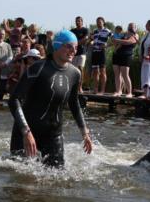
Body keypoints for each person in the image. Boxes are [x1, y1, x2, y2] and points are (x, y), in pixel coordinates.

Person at [8, 30, 93, 167]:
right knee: (22, 181)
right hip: (27, 132)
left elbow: (74, 103)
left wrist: (85, 133)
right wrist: (26, 132)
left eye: (76, 47)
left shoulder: (75, 73)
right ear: (57, 46)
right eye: (69, 46)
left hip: (53, 135)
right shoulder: (38, 68)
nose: (73, 51)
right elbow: (14, 100)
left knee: (57, 178)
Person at [111, 22, 137, 96]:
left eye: (132, 26)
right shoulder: (123, 34)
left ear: (135, 28)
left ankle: (129, 92)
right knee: (117, 74)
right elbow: (114, 40)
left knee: (125, 74)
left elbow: (129, 42)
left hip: (126, 55)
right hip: (117, 55)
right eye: (129, 26)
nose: (130, 28)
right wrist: (114, 39)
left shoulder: (135, 35)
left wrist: (117, 40)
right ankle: (118, 91)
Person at [89, 17, 111, 93]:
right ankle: (95, 89)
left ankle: (102, 90)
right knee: (95, 72)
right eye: (97, 22)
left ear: (103, 22)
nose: (98, 23)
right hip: (94, 52)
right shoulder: (94, 31)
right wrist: (91, 43)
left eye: (100, 22)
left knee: (103, 72)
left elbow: (114, 39)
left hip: (102, 52)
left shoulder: (107, 31)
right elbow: (91, 40)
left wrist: (107, 45)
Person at [71, 16, 90, 84]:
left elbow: (85, 40)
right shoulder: (72, 31)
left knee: (80, 69)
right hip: (73, 53)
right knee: (73, 70)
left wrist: (75, 43)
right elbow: (70, 41)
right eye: (76, 21)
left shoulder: (85, 30)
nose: (78, 22)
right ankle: (73, 86)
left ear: (82, 22)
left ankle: (80, 87)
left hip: (82, 53)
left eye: (79, 21)